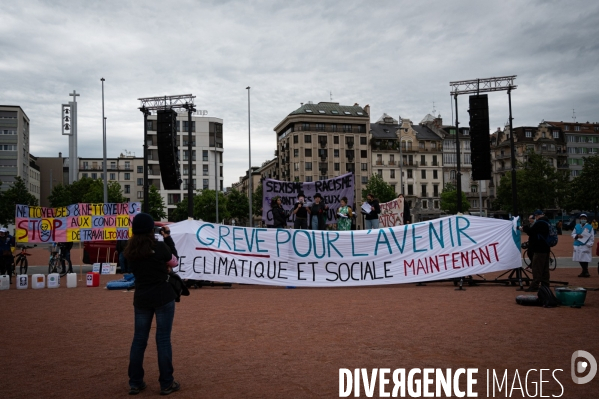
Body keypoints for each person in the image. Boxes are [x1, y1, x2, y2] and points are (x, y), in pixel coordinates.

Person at [125, 213, 180, 396]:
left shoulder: (130, 251)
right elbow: (174, 261)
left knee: (139, 340)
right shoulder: (160, 246)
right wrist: (168, 238)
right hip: (163, 296)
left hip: (141, 297)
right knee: (163, 339)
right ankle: (166, 383)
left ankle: (135, 382)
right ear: (151, 230)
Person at [520, 209, 551, 292]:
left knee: (537, 267)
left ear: (538, 216)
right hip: (546, 248)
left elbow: (531, 232)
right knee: (545, 268)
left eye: (536, 216)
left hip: (539, 249)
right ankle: (545, 285)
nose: (535, 218)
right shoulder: (547, 222)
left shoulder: (540, 223)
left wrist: (524, 228)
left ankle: (534, 286)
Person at [571, 213, 594, 278]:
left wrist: (589, 244)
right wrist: (577, 236)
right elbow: (573, 234)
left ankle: (585, 271)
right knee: (579, 258)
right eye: (582, 218)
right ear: (580, 219)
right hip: (577, 244)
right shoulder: (577, 226)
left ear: (586, 219)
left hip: (585, 244)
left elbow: (592, 237)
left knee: (585, 259)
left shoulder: (590, 227)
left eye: (584, 218)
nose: (583, 219)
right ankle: (585, 271)